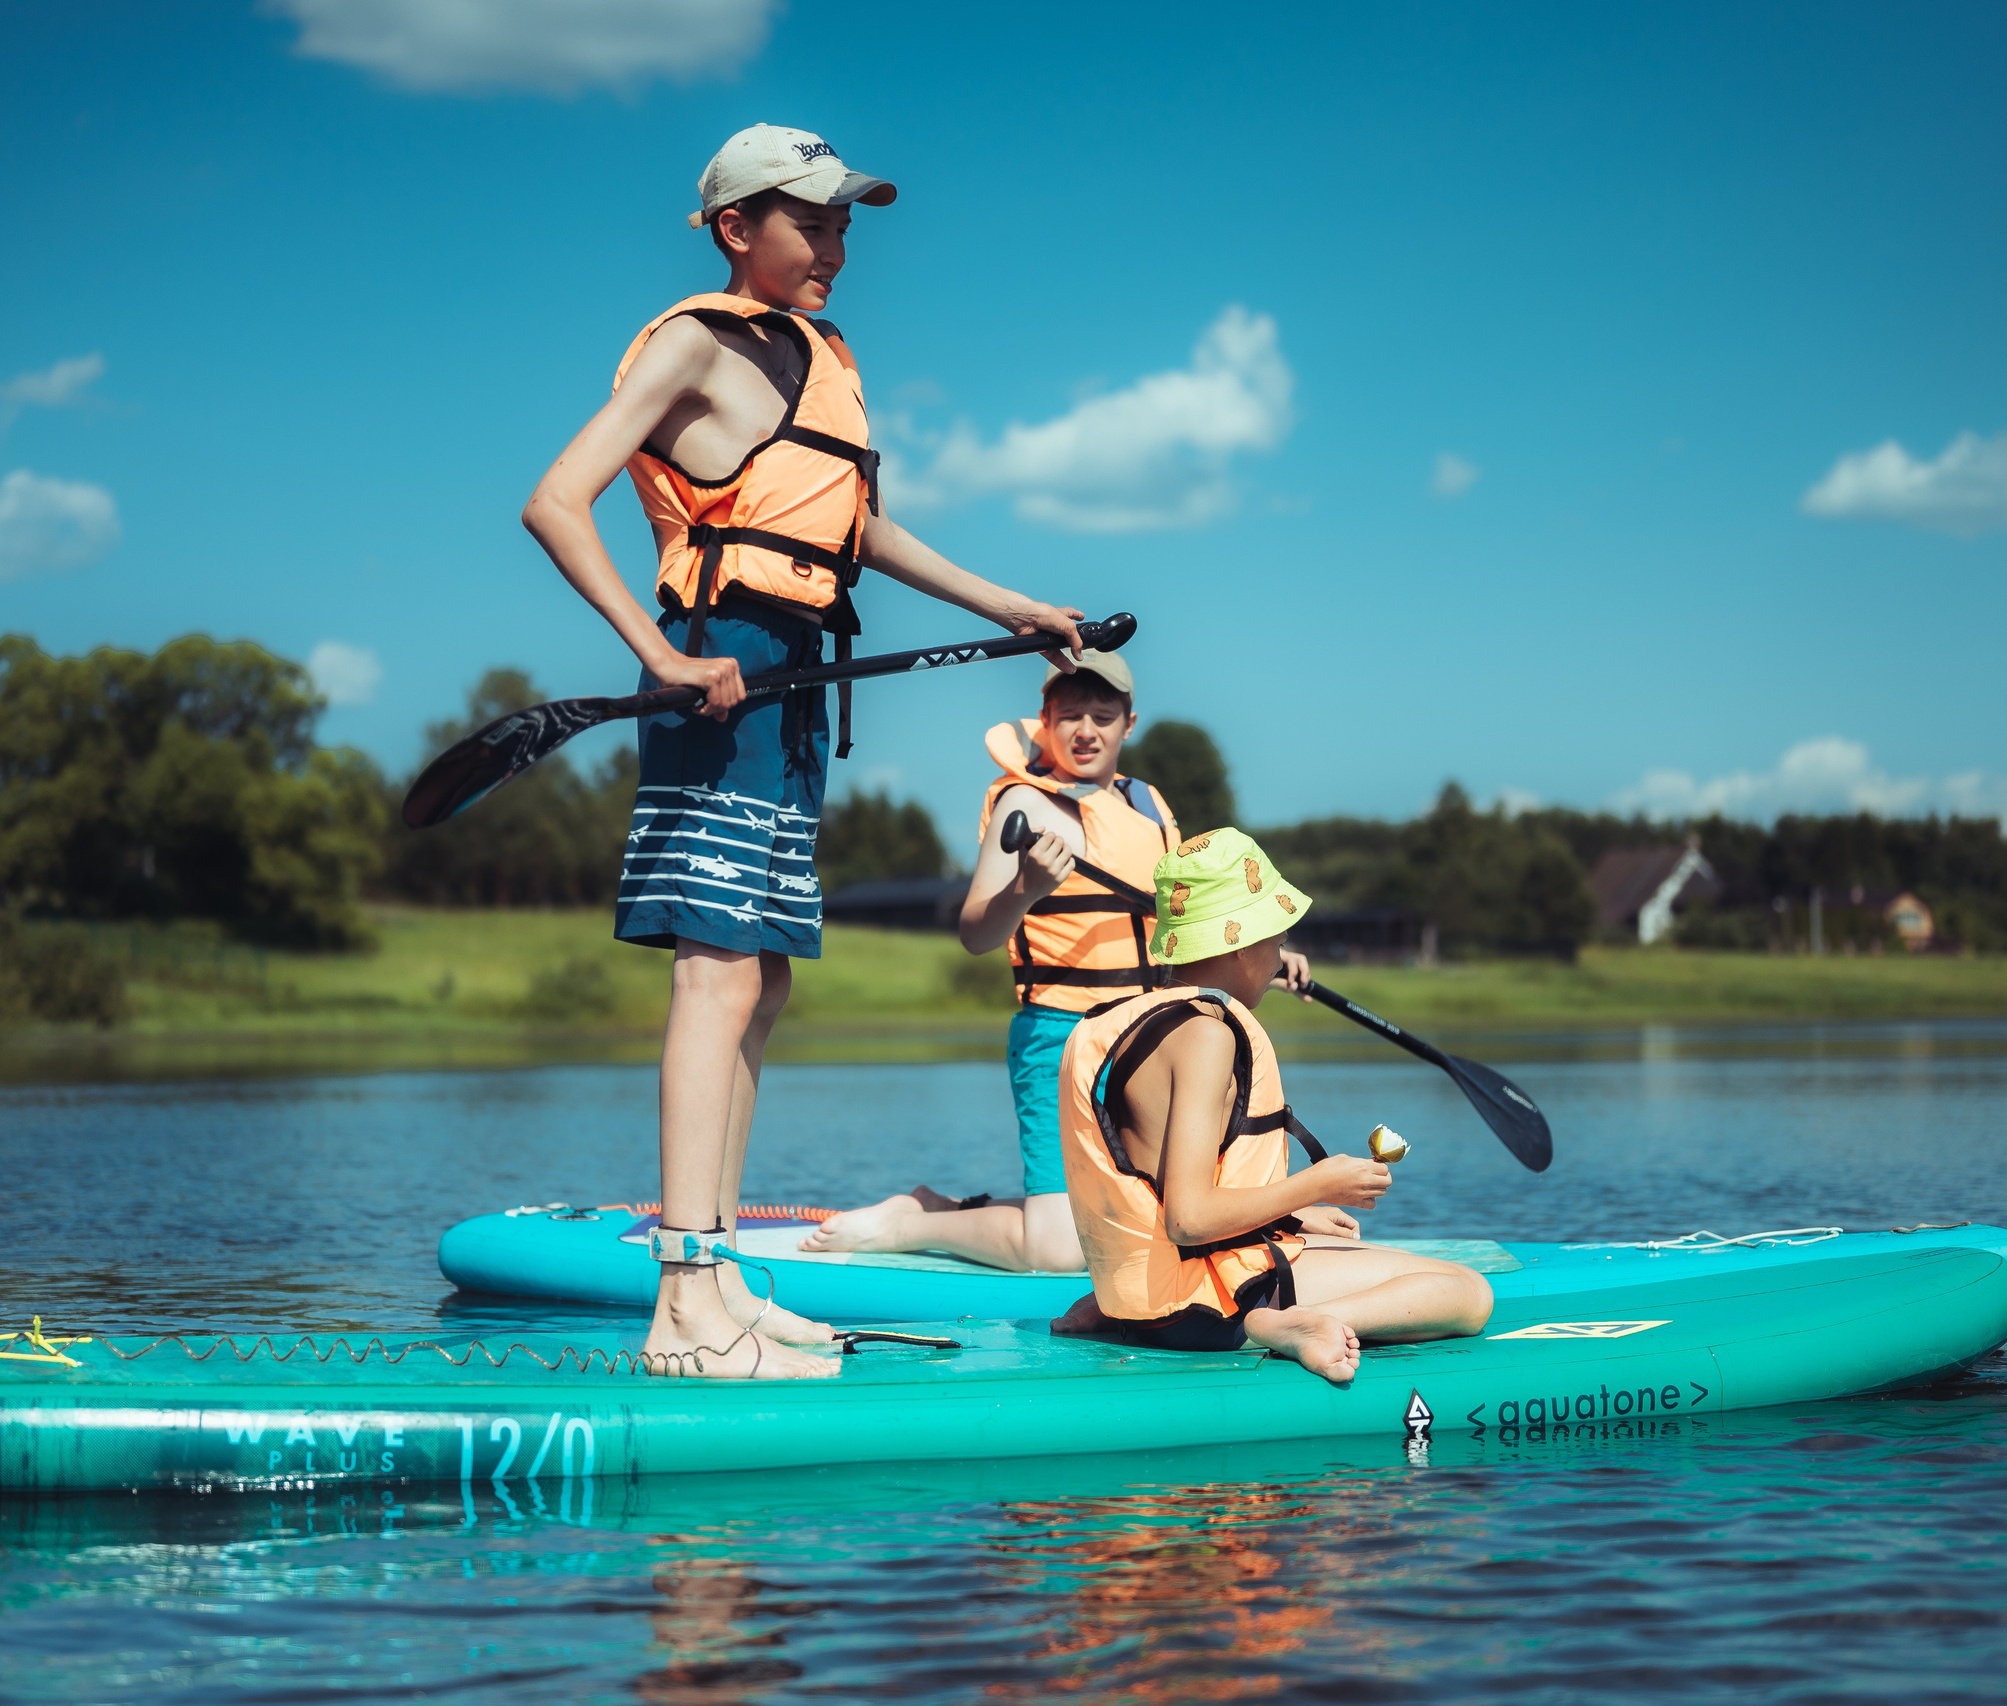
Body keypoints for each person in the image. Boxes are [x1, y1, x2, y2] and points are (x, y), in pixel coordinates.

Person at [520, 124, 1086, 1379]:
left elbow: (853, 525)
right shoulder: (696, 343)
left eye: (844, 225)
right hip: (718, 666)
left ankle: (718, 1277)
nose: (836, 246)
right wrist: (661, 656)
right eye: (812, 222)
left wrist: (1010, 608)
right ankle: (681, 1303)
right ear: (737, 228)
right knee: (714, 979)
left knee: (763, 983)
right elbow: (557, 499)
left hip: (795, 681)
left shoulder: (822, 356)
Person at [804, 655, 1312, 1270]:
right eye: (1069, 715)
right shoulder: (1027, 803)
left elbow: (1182, 922)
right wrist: (1026, 889)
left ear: (1130, 723)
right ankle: (919, 1220)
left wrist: (1263, 956)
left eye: (1103, 716)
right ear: (1044, 721)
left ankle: (955, 1204)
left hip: (1151, 1035)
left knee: (1153, 1212)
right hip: (1063, 1035)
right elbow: (975, 933)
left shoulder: (1148, 804)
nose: (1086, 730)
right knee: (1059, 1252)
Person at [1052, 830, 1493, 1381]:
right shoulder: (1206, 1037)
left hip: (1138, 1299)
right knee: (1467, 1292)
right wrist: (1318, 1184)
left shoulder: (1125, 1024)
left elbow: (1163, 1194)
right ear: (1238, 942)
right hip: (1210, 1308)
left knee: (1321, 1235)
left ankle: (1121, 1314)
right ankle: (1296, 1323)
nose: (1280, 952)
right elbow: (1188, 1219)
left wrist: (1296, 1216)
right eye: (1275, 937)